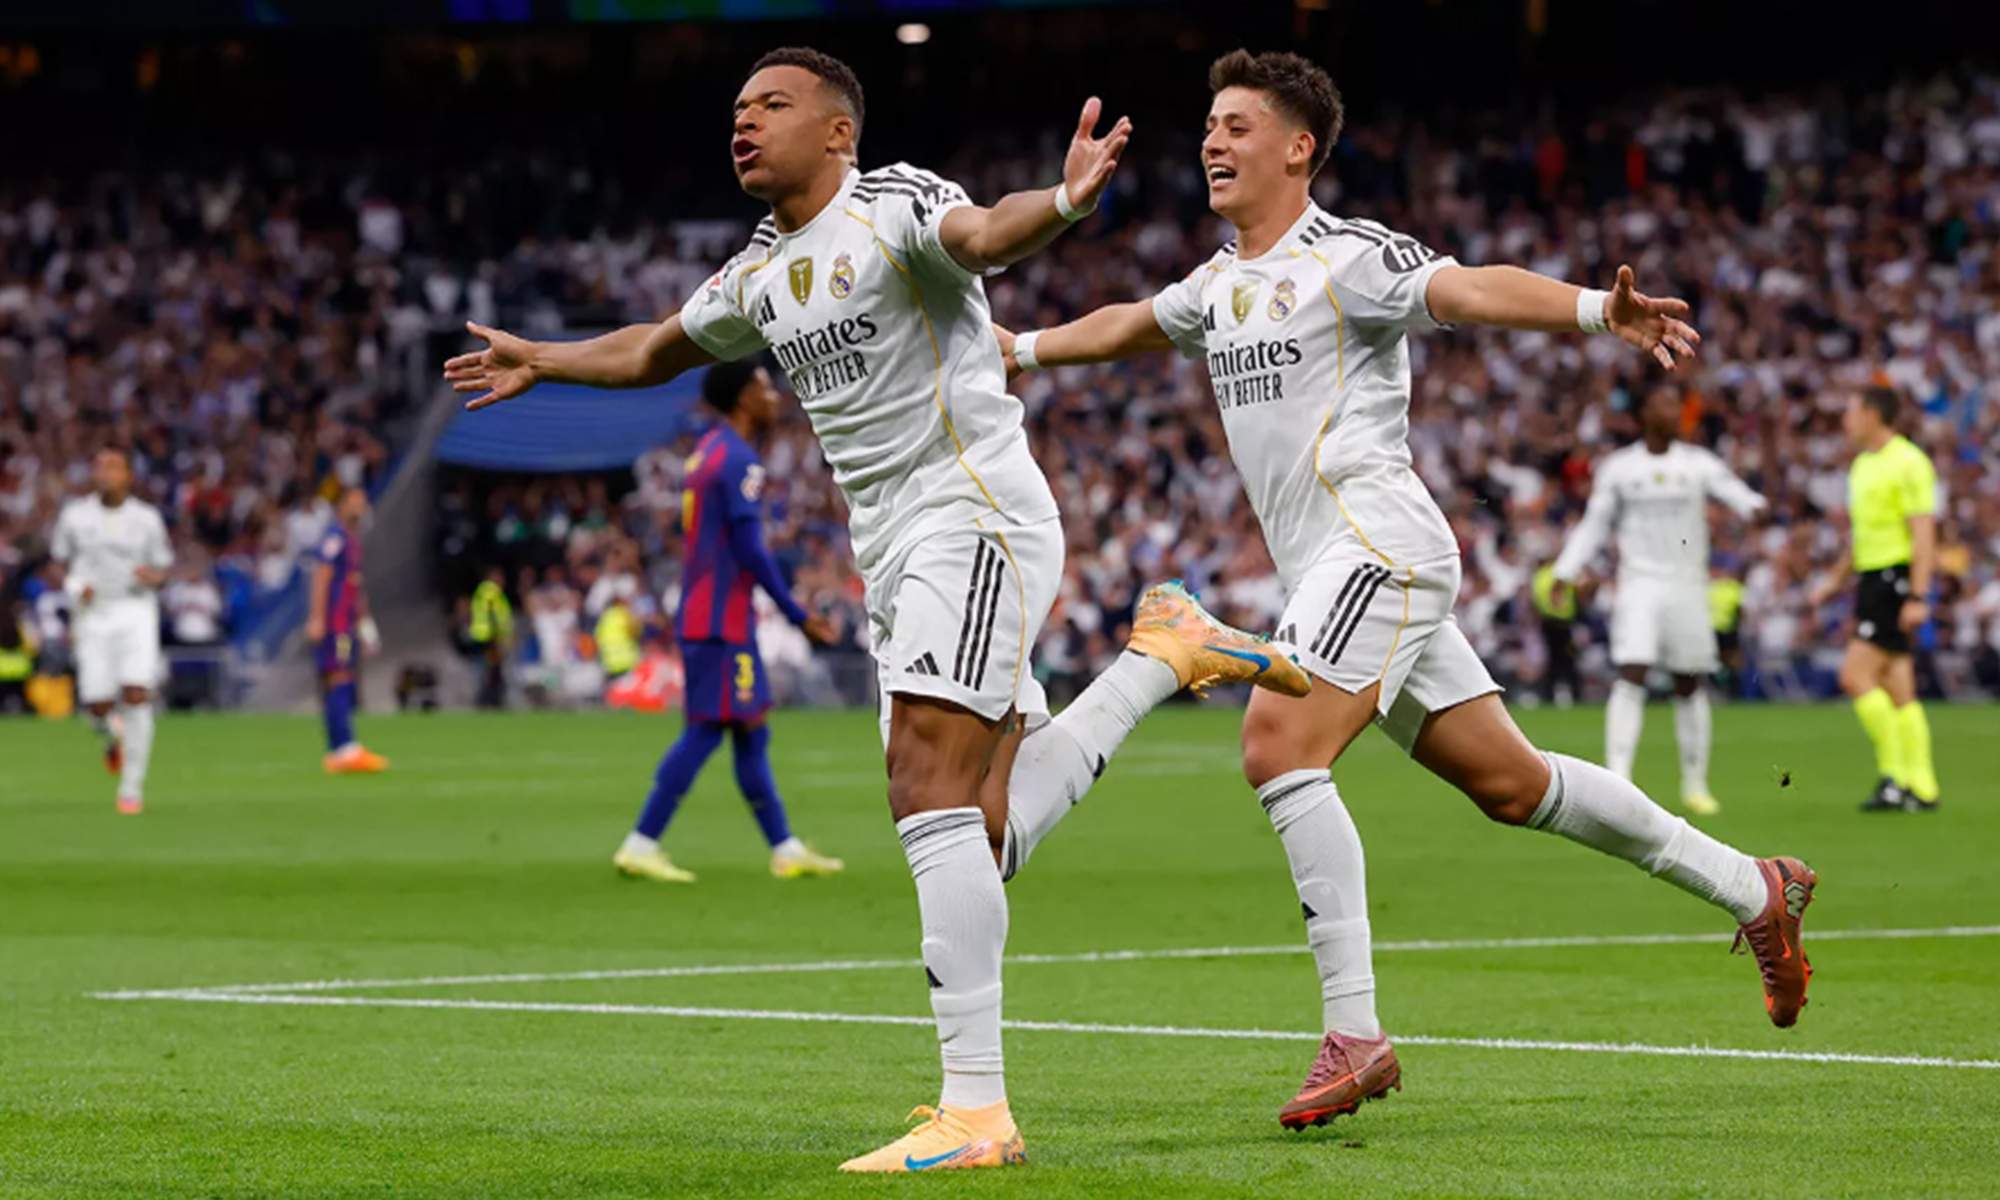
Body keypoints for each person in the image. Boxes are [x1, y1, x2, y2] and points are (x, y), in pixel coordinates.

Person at [444, 46, 1305, 1172]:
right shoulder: (757, 270)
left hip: (974, 511)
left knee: (921, 790)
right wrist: (543, 361)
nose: (743, 122)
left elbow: (988, 234)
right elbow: (655, 348)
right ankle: (1162, 654)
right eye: (737, 108)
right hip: (892, 552)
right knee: (976, 830)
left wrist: (1062, 199)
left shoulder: (893, 201)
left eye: (772, 104)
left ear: (837, 130)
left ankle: (977, 1114)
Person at [1000, 48, 1816, 1131]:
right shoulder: (1216, 282)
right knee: (1514, 787)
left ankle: (1355, 1033)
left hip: (1375, 546)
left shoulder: (1345, 256)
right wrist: (1021, 348)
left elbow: (1465, 288)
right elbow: (1132, 324)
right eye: (1208, 124)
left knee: (1275, 749)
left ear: (1298, 146)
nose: (1210, 141)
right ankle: (1754, 887)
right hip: (1339, 569)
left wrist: (1589, 311)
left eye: (1236, 125)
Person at [612, 358, 849, 883]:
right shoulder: (738, 459)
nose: (772, 395)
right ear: (743, 397)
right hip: (721, 619)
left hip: (711, 610)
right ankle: (641, 842)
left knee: (750, 729)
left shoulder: (707, 452)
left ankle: (784, 847)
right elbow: (750, 548)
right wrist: (796, 613)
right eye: (763, 386)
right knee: (706, 730)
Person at [1550, 384, 1767, 815]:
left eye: (1675, 404)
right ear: (1643, 414)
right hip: (1640, 584)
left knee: (1689, 680)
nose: (1672, 411)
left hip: (1687, 584)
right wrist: (1565, 569)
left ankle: (1695, 784)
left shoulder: (1697, 464)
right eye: (1662, 403)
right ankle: (1619, 780)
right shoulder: (1619, 468)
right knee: (1632, 672)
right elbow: (1595, 524)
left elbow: (1737, 494)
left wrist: (1755, 506)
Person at [1812, 386, 1940, 812]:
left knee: (1855, 676)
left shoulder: (1909, 462)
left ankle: (1894, 778)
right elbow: (1861, 535)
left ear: (1871, 414)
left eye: (1849, 411)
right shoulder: (1862, 466)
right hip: (1872, 578)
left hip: (1894, 578)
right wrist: (1835, 579)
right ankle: (1922, 786)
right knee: (1898, 684)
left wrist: (1918, 594)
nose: (1845, 421)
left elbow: (1923, 534)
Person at [49, 448, 172, 814]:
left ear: (128, 476)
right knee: (95, 704)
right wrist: (73, 587)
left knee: (137, 692)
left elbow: (163, 569)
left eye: (113, 467)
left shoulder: (147, 518)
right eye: (100, 467)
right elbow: (57, 563)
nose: (105, 473)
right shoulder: (75, 516)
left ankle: (131, 789)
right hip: (93, 613)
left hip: (135, 610)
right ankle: (114, 733)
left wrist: (153, 578)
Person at [308, 487, 388, 774]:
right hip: (335, 623)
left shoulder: (352, 540)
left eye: (363, 501)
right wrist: (317, 617)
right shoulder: (335, 537)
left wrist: (366, 627)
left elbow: (356, 587)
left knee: (340, 679)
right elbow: (322, 574)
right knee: (339, 677)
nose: (360, 506)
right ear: (341, 505)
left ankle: (339, 749)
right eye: (354, 501)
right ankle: (345, 749)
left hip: (347, 624)